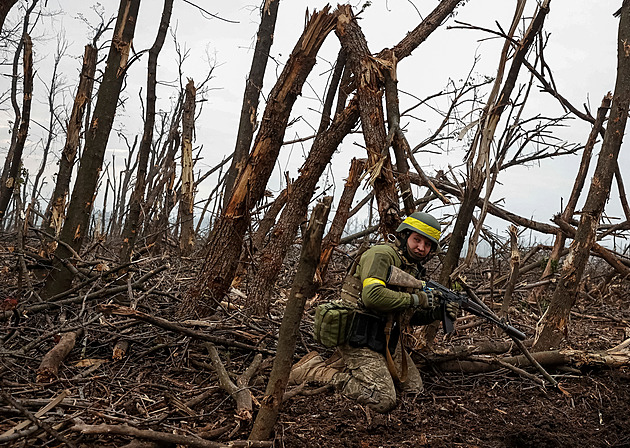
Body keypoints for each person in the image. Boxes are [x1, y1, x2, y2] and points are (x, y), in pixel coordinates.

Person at [288, 212, 459, 413]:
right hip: (358, 335)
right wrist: (417, 298)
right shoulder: (382, 255)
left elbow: (405, 315)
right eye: (417, 240)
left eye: (427, 244)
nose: (421, 248)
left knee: (414, 390)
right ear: (405, 236)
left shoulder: (412, 269)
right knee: (383, 399)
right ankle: (314, 371)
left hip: (384, 338)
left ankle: (345, 365)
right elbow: (372, 297)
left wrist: (436, 313)